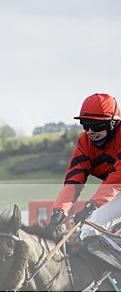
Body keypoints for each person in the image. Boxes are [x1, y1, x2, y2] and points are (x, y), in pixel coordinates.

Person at [48, 93, 121, 238]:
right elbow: (74, 179)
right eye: (86, 126)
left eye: (96, 126)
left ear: (113, 123)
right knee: (88, 231)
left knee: (91, 226)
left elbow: (116, 179)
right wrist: (59, 211)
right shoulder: (85, 143)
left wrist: (91, 205)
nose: (91, 132)